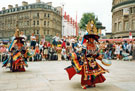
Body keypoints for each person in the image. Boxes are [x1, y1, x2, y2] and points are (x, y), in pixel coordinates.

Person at [65, 20, 110, 89]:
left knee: (94, 72)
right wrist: (82, 59)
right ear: (88, 38)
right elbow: (82, 53)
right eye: (90, 38)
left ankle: (91, 83)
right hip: (86, 60)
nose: (92, 39)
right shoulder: (85, 45)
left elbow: (96, 54)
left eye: (93, 38)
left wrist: (100, 58)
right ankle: (83, 83)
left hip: (93, 61)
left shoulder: (95, 45)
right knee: (85, 72)